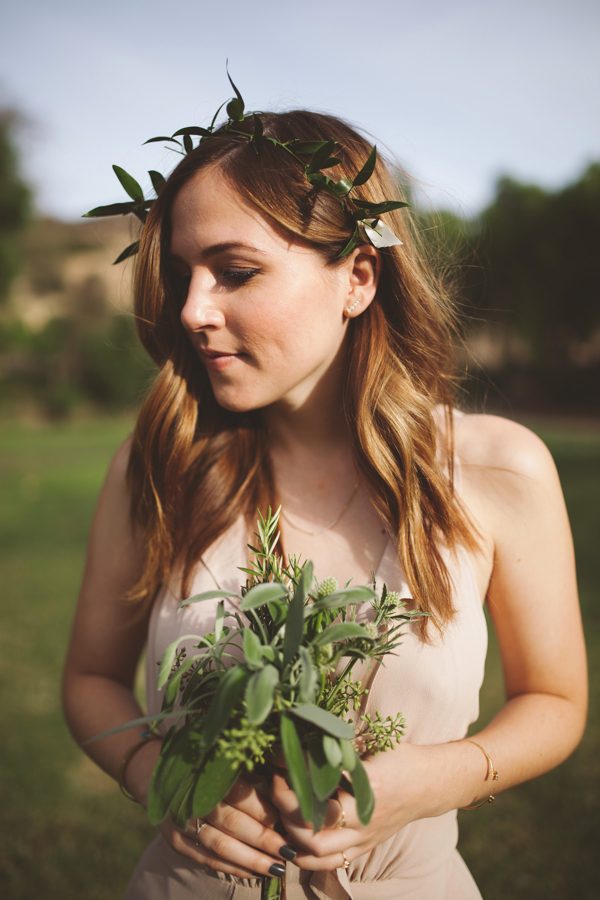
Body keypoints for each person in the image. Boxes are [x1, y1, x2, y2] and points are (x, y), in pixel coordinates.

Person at [62, 99, 588, 900]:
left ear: (358, 277)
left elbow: (555, 701)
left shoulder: (499, 470)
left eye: (235, 272)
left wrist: (435, 778)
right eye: (183, 276)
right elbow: (90, 678)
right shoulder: (161, 464)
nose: (195, 311)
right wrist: (161, 778)